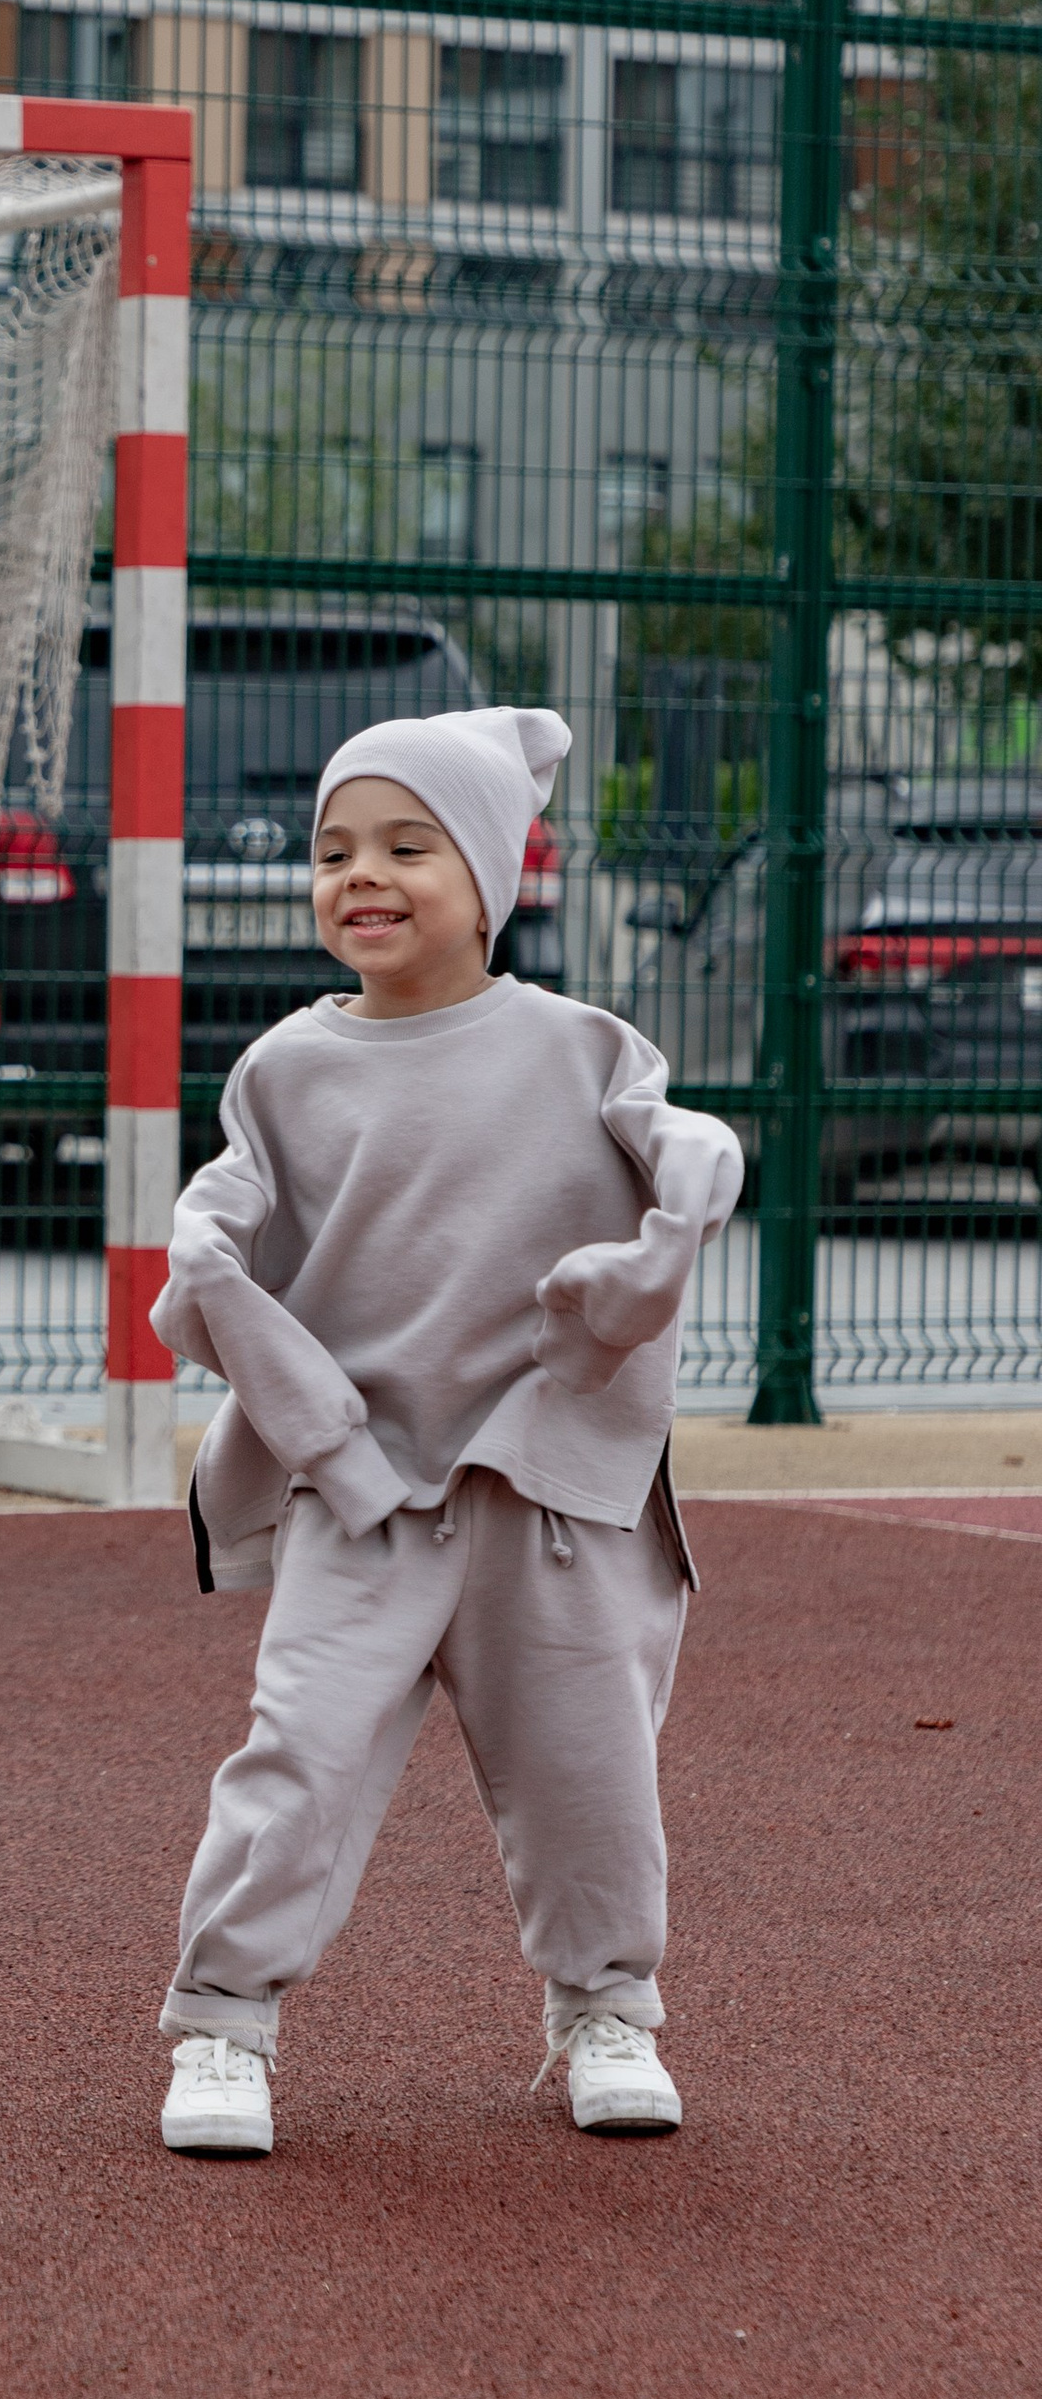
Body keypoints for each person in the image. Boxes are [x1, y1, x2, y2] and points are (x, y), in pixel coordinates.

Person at [150, 706, 742, 2160]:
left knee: (589, 1764)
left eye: (410, 845)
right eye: (337, 847)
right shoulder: (283, 1073)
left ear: (492, 874)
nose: (366, 873)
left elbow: (696, 1147)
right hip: (361, 1498)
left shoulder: (581, 1048)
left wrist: (662, 1237)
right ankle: (223, 2025)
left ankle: (607, 2007)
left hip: (546, 1489)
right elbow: (207, 1257)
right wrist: (325, 1440)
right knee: (297, 1753)